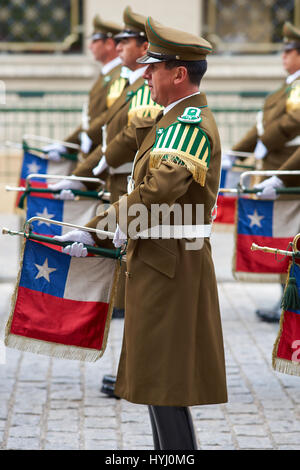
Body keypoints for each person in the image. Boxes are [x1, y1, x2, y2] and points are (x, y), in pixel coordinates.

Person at [55, 17, 227, 450]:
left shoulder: (187, 125)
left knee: (165, 384)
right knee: (157, 384)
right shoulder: (172, 121)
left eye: (155, 67)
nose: (146, 74)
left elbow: (155, 194)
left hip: (172, 263)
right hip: (159, 258)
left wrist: (94, 231)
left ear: (179, 73)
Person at [225, 21, 300, 323]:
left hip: (290, 172)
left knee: (290, 237)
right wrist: (236, 151)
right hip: (278, 171)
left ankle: (291, 300)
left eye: (290, 50)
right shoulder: (288, 87)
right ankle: (287, 298)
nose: (284, 55)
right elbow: (261, 127)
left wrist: (266, 144)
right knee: (283, 237)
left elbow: (293, 122)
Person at [43, 15, 124, 160]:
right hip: (94, 150)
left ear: (109, 43)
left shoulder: (119, 74)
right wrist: (66, 145)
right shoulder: (108, 73)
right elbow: (90, 119)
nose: (89, 46)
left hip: (103, 151)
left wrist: (88, 135)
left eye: (94, 41)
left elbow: (111, 114)